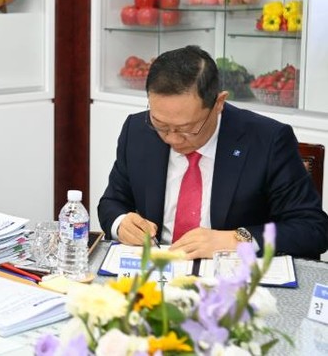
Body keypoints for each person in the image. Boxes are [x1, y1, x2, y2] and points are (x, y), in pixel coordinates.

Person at [98, 45, 328, 259]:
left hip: (231, 276)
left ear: (219, 103)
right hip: (157, 270)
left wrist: (237, 239)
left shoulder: (267, 140)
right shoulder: (137, 130)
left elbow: (312, 228)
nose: (172, 138)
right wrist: (121, 223)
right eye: (160, 124)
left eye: (187, 128)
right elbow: (112, 202)